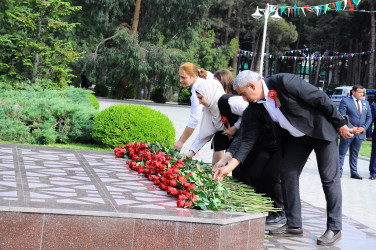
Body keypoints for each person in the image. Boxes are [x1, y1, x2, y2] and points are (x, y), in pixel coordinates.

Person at [213, 70, 353, 246]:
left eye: (243, 94)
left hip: (320, 130)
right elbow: (247, 138)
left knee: (328, 178)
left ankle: (334, 228)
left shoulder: (284, 82)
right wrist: (229, 167)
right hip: (297, 138)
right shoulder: (256, 107)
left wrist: (340, 123)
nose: (243, 99)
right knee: (287, 172)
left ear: (252, 85)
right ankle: (294, 224)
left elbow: (319, 98)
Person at [182, 78, 248, 162]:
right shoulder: (210, 108)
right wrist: (191, 152)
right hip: (235, 143)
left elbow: (251, 113)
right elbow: (205, 133)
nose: (199, 102)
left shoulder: (229, 101)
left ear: (209, 94)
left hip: (248, 141)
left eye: (201, 98)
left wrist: (236, 126)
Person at [173, 63, 213, 151]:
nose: (180, 80)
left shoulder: (197, 90)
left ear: (194, 76)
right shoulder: (204, 76)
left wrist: (180, 141)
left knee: (219, 145)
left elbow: (194, 120)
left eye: (183, 77)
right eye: (180, 77)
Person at [338, 85, 372, 180]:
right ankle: (338, 171)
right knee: (342, 153)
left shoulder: (366, 103)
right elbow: (342, 116)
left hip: (360, 133)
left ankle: (354, 172)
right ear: (353, 92)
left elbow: (369, 117)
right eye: (360, 92)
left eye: (363, 93)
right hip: (348, 132)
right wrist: (352, 128)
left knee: (354, 154)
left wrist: (363, 128)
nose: (362, 94)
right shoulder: (345, 101)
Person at [211, 69, 236, 164]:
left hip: (237, 131)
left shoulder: (234, 98)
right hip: (223, 131)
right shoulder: (213, 98)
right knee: (218, 138)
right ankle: (216, 171)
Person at [368, 101, 376, 180]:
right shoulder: (374, 106)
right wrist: (369, 135)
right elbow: (370, 121)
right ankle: (373, 172)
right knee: (375, 154)